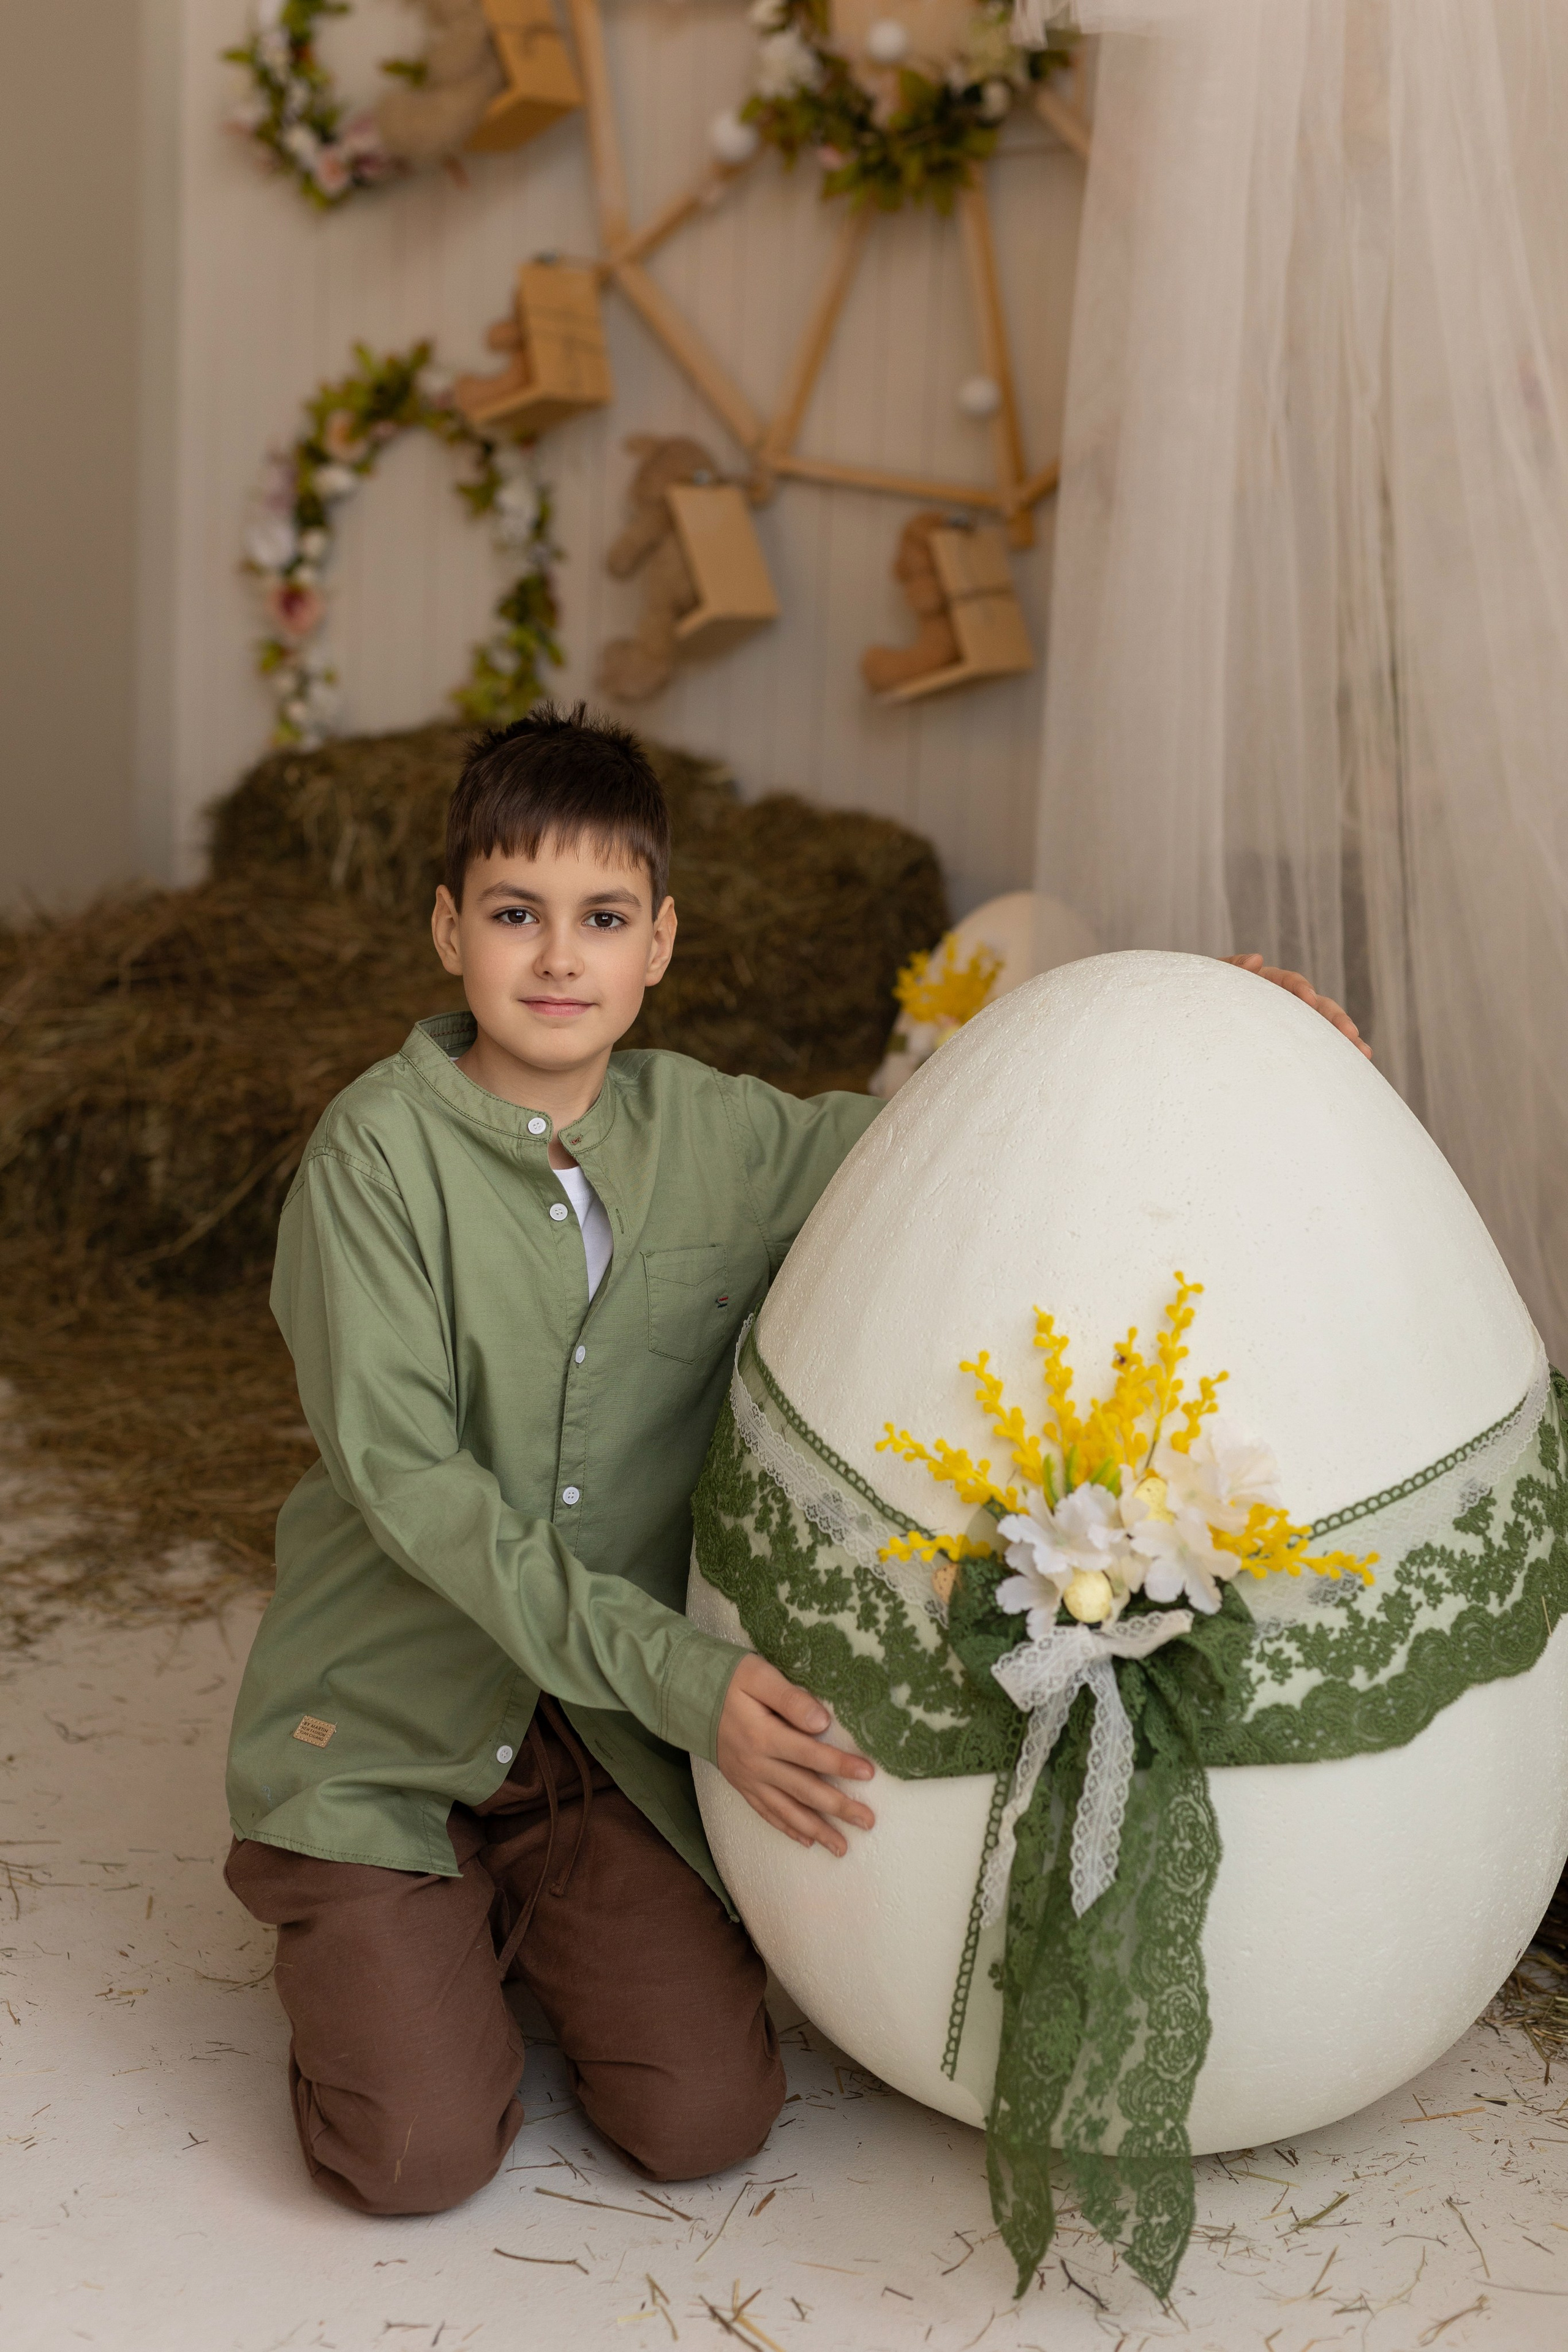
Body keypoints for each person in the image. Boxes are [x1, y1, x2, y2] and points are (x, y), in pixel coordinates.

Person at [223, 704, 1365, 2218]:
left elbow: (978, 1125)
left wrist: (1200, 1018)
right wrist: (690, 1682)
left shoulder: (724, 1140)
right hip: (391, 1724)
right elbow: (416, 1490)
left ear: (659, 942)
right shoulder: (370, 1161)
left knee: (704, 2119)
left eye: (601, 917)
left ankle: (501, 1917)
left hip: (598, 1747)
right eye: (513, 913)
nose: (557, 957)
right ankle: (378, 1914)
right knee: (415, 2158)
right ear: (448, 929)